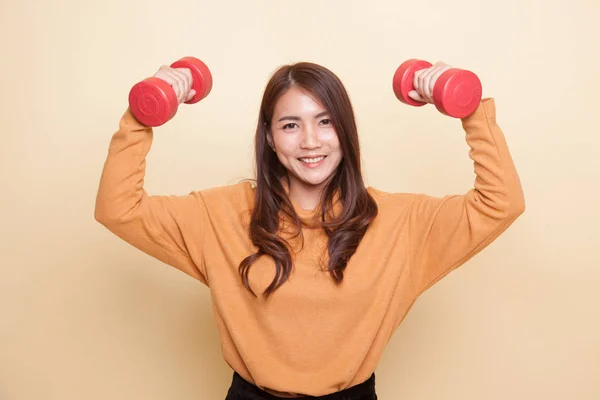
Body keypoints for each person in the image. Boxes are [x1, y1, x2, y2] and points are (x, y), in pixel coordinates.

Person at [94, 60, 525, 399]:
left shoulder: (400, 223)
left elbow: (499, 202)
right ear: (268, 137)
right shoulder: (219, 214)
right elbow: (119, 208)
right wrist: (141, 116)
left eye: (324, 121)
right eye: (290, 125)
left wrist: (471, 110)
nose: (310, 142)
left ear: (345, 129)